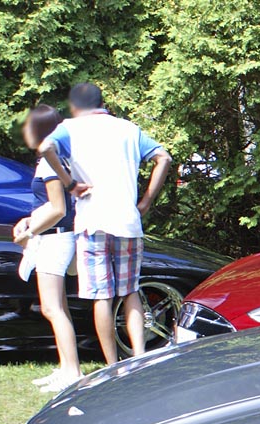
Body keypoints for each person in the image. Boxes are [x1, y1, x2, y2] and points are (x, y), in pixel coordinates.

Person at [37, 82, 173, 363]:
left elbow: (45, 146)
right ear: (102, 103)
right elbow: (164, 157)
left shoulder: (70, 128)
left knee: (103, 296)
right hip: (128, 221)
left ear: (76, 106)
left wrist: (70, 182)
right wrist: (146, 202)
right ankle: (138, 357)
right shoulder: (127, 128)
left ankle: (113, 364)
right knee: (130, 291)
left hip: (92, 222)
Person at [14, 104, 82, 393]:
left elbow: (58, 209)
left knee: (52, 308)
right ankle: (65, 367)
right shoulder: (62, 157)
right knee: (58, 307)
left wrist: (30, 232)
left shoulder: (49, 162)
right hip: (56, 237)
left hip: (55, 239)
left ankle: (73, 372)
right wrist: (30, 219)